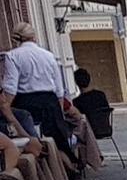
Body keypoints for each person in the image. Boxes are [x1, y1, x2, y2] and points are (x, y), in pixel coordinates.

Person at [0, 23, 77, 156]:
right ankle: (68, 169)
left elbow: (10, 88)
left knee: (35, 141)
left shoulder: (12, 56)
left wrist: (5, 109)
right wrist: (59, 113)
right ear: (33, 37)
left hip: (25, 103)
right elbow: (59, 89)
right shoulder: (48, 55)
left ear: (15, 39)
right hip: (50, 102)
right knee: (57, 141)